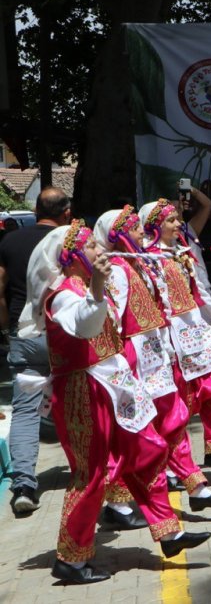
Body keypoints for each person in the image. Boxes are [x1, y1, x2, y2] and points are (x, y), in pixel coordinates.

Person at [26, 222, 210, 584]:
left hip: (113, 383)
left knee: (148, 448)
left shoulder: (90, 286)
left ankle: (169, 532)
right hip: (83, 391)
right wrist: (96, 287)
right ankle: (71, 558)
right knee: (90, 474)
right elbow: (86, 325)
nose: (100, 250)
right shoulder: (62, 293)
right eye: (91, 247)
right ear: (73, 257)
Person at [94, 207, 211, 515]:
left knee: (173, 418)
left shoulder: (141, 263)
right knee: (136, 432)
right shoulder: (117, 269)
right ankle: (116, 503)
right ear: (116, 236)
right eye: (132, 228)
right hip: (133, 354)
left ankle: (196, 486)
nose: (139, 231)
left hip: (154, 350)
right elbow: (113, 318)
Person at [138, 199, 211, 471]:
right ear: (155, 225)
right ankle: (171, 463)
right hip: (170, 337)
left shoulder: (181, 252)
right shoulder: (149, 258)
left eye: (177, 219)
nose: (177, 224)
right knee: (177, 404)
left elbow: (198, 293)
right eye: (171, 220)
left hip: (193, 330)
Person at [1, 187, 71, 516]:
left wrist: (8, 328)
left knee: (25, 412)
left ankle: (24, 485)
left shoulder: (10, 242)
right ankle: (91, 472)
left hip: (25, 333)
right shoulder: (72, 239)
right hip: (66, 330)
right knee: (78, 401)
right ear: (66, 212)